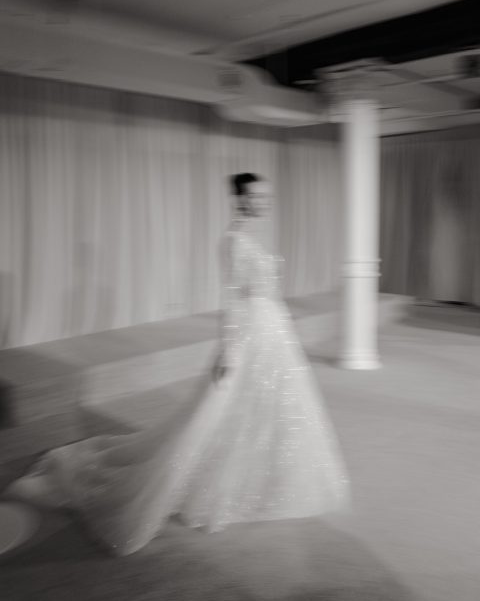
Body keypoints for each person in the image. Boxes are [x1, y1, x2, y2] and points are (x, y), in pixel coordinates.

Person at [4, 173, 349, 556]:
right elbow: (234, 299)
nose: (264, 201)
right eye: (256, 195)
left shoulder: (254, 237)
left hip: (274, 331)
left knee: (275, 408)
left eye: (267, 195)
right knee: (225, 409)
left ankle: (268, 478)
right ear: (240, 199)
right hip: (252, 332)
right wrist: (230, 351)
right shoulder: (234, 240)